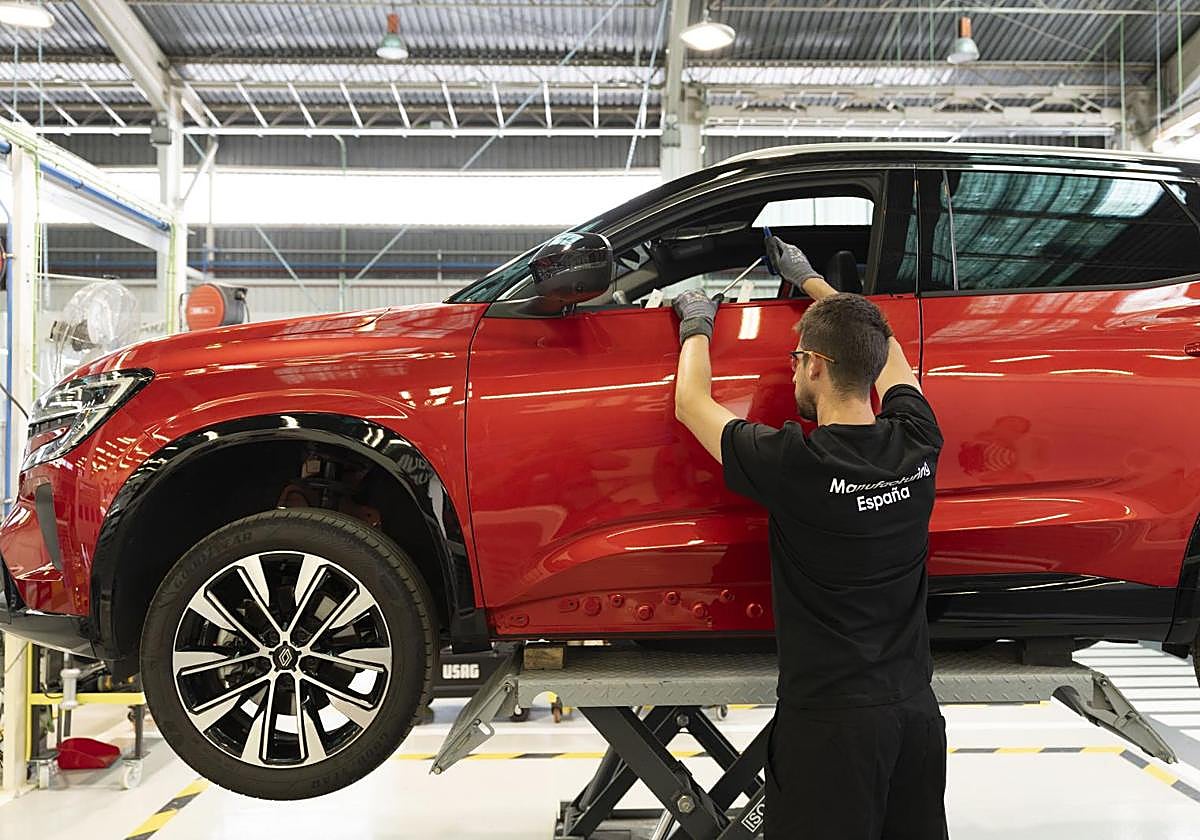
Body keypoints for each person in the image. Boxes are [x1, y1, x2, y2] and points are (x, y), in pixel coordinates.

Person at [670, 236, 948, 840]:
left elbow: (691, 403)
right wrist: (814, 283)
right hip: (914, 717)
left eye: (798, 358)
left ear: (816, 365)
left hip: (830, 728)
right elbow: (889, 349)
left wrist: (695, 322)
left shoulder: (796, 463)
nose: (793, 367)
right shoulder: (918, 441)